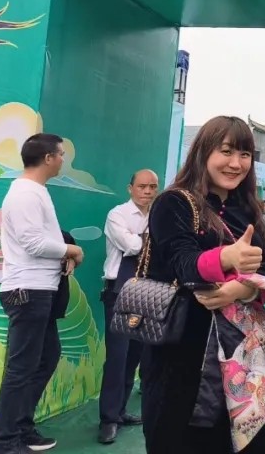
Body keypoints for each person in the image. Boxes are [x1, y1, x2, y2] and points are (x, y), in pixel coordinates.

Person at [139, 116, 265, 454]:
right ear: (203, 152)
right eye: (226, 151)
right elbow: (184, 264)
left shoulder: (248, 211)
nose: (236, 163)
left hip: (240, 359)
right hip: (182, 354)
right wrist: (228, 257)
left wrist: (247, 289)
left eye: (245, 154)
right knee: (178, 439)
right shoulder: (174, 203)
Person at [0, 133, 84, 454]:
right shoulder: (25, 194)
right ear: (48, 158)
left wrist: (63, 252)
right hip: (27, 291)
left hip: (39, 290)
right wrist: (71, 249)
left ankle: (20, 426)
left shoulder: (36, 191)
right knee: (21, 369)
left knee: (46, 357)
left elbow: (42, 239)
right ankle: (4, 442)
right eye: (60, 154)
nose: (62, 160)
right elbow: (32, 242)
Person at [98, 169, 159, 444]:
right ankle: (108, 419)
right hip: (119, 291)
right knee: (117, 357)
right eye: (142, 186)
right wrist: (150, 240)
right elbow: (132, 245)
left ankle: (120, 411)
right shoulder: (117, 215)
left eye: (153, 187)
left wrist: (144, 240)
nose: (147, 191)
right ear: (130, 188)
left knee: (135, 354)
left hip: (147, 292)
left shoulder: (157, 215)